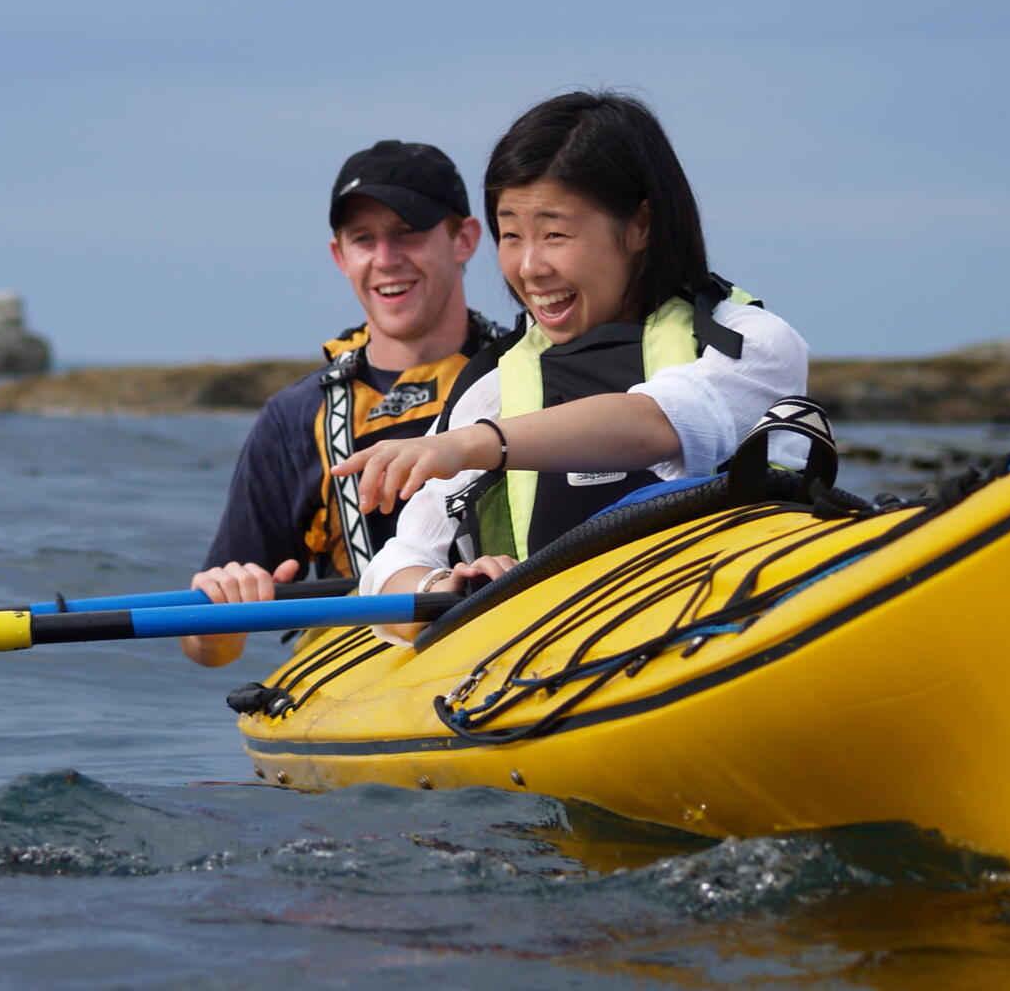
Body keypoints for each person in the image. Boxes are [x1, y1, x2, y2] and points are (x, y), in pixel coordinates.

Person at [333, 91, 809, 641]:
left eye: (554, 234)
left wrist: (470, 445)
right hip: (554, 664)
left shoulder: (748, 343)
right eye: (512, 236)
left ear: (641, 225)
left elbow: (656, 422)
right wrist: (448, 586)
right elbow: (393, 567)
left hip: (728, 629)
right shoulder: (492, 389)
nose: (529, 267)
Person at [181, 140, 510, 667]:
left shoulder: (527, 374)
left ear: (464, 239)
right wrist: (221, 612)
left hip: (506, 647)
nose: (386, 259)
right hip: (360, 677)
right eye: (363, 239)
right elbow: (208, 651)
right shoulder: (294, 417)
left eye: (408, 232)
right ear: (340, 256)